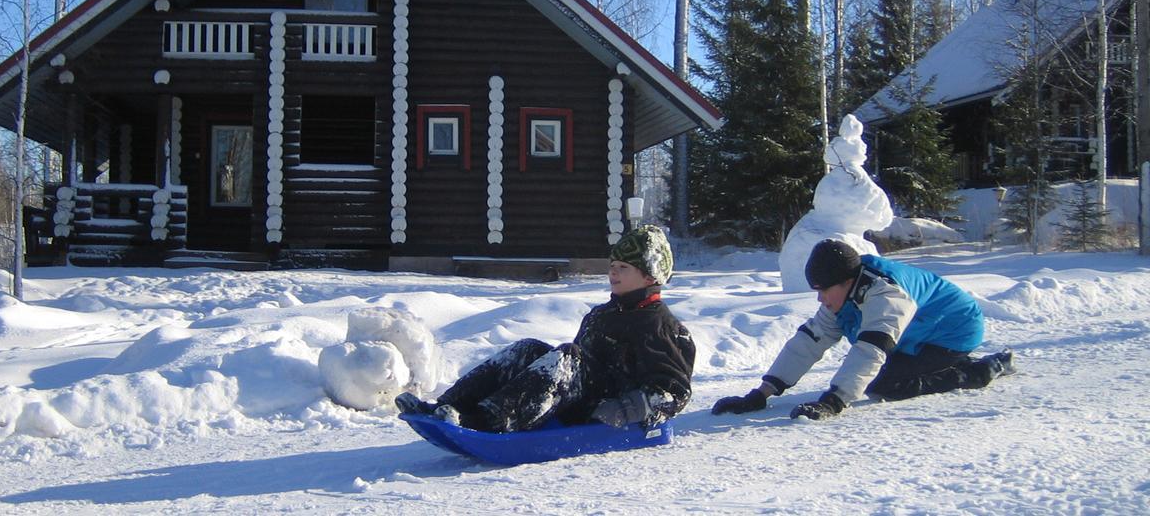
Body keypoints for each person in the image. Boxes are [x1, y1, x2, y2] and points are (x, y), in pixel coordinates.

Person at [396, 225, 696, 433]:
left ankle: (488, 420)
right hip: (581, 394)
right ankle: (448, 405)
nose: (612, 272)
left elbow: (674, 390)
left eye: (624, 268)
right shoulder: (603, 314)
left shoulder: (657, 323)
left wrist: (625, 409)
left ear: (649, 277)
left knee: (567, 357)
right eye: (612, 265)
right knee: (528, 348)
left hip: (605, 407)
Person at [712, 239, 1013, 421]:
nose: (820, 299)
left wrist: (834, 401)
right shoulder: (844, 292)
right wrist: (761, 394)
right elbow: (810, 341)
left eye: (823, 290)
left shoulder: (886, 295)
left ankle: (977, 371)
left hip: (953, 331)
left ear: (845, 282)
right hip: (918, 333)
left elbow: (871, 350)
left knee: (884, 384)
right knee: (882, 375)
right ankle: (957, 366)